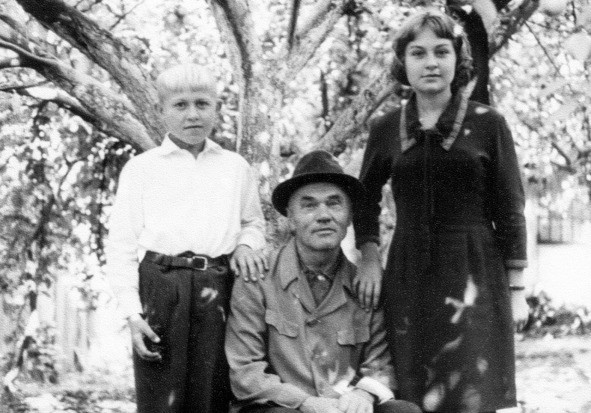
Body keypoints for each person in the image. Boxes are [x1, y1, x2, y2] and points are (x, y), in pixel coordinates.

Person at [352, 9, 529, 413]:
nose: (430, 62)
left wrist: (517, 290)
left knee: (472, 388)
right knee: (414, 388)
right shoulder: (385, 128)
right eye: (418, 53)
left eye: (441, 51)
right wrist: (369, 256)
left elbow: (511, 207)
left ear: (456, 57)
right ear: (403, 62)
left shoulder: (488, 123)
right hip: (408, 271)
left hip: (475, 270)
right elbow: (364, 198)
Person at [105, 63, 267, 413]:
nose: (192, 114)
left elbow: (254, 223)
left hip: (217, 286)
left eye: (202, 103)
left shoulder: (234, 167)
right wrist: (133, 314)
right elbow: (121, 247)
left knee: (212, 393)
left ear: (216, 108)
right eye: (180, 105)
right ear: (161, 110)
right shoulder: (142, 169)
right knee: (161, 395)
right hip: (160, 285)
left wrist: (245, 244)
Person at [225, 150, 422, 413]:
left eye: (334, 203)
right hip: (281, 406)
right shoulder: (258, 278)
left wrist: (364, 394)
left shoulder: (365, 284)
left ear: (349, 217)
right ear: (291, 218)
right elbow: (246, 370)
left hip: (343, 407)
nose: (324, 215)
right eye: (309, 205)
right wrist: (306, 403)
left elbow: (379, 363)